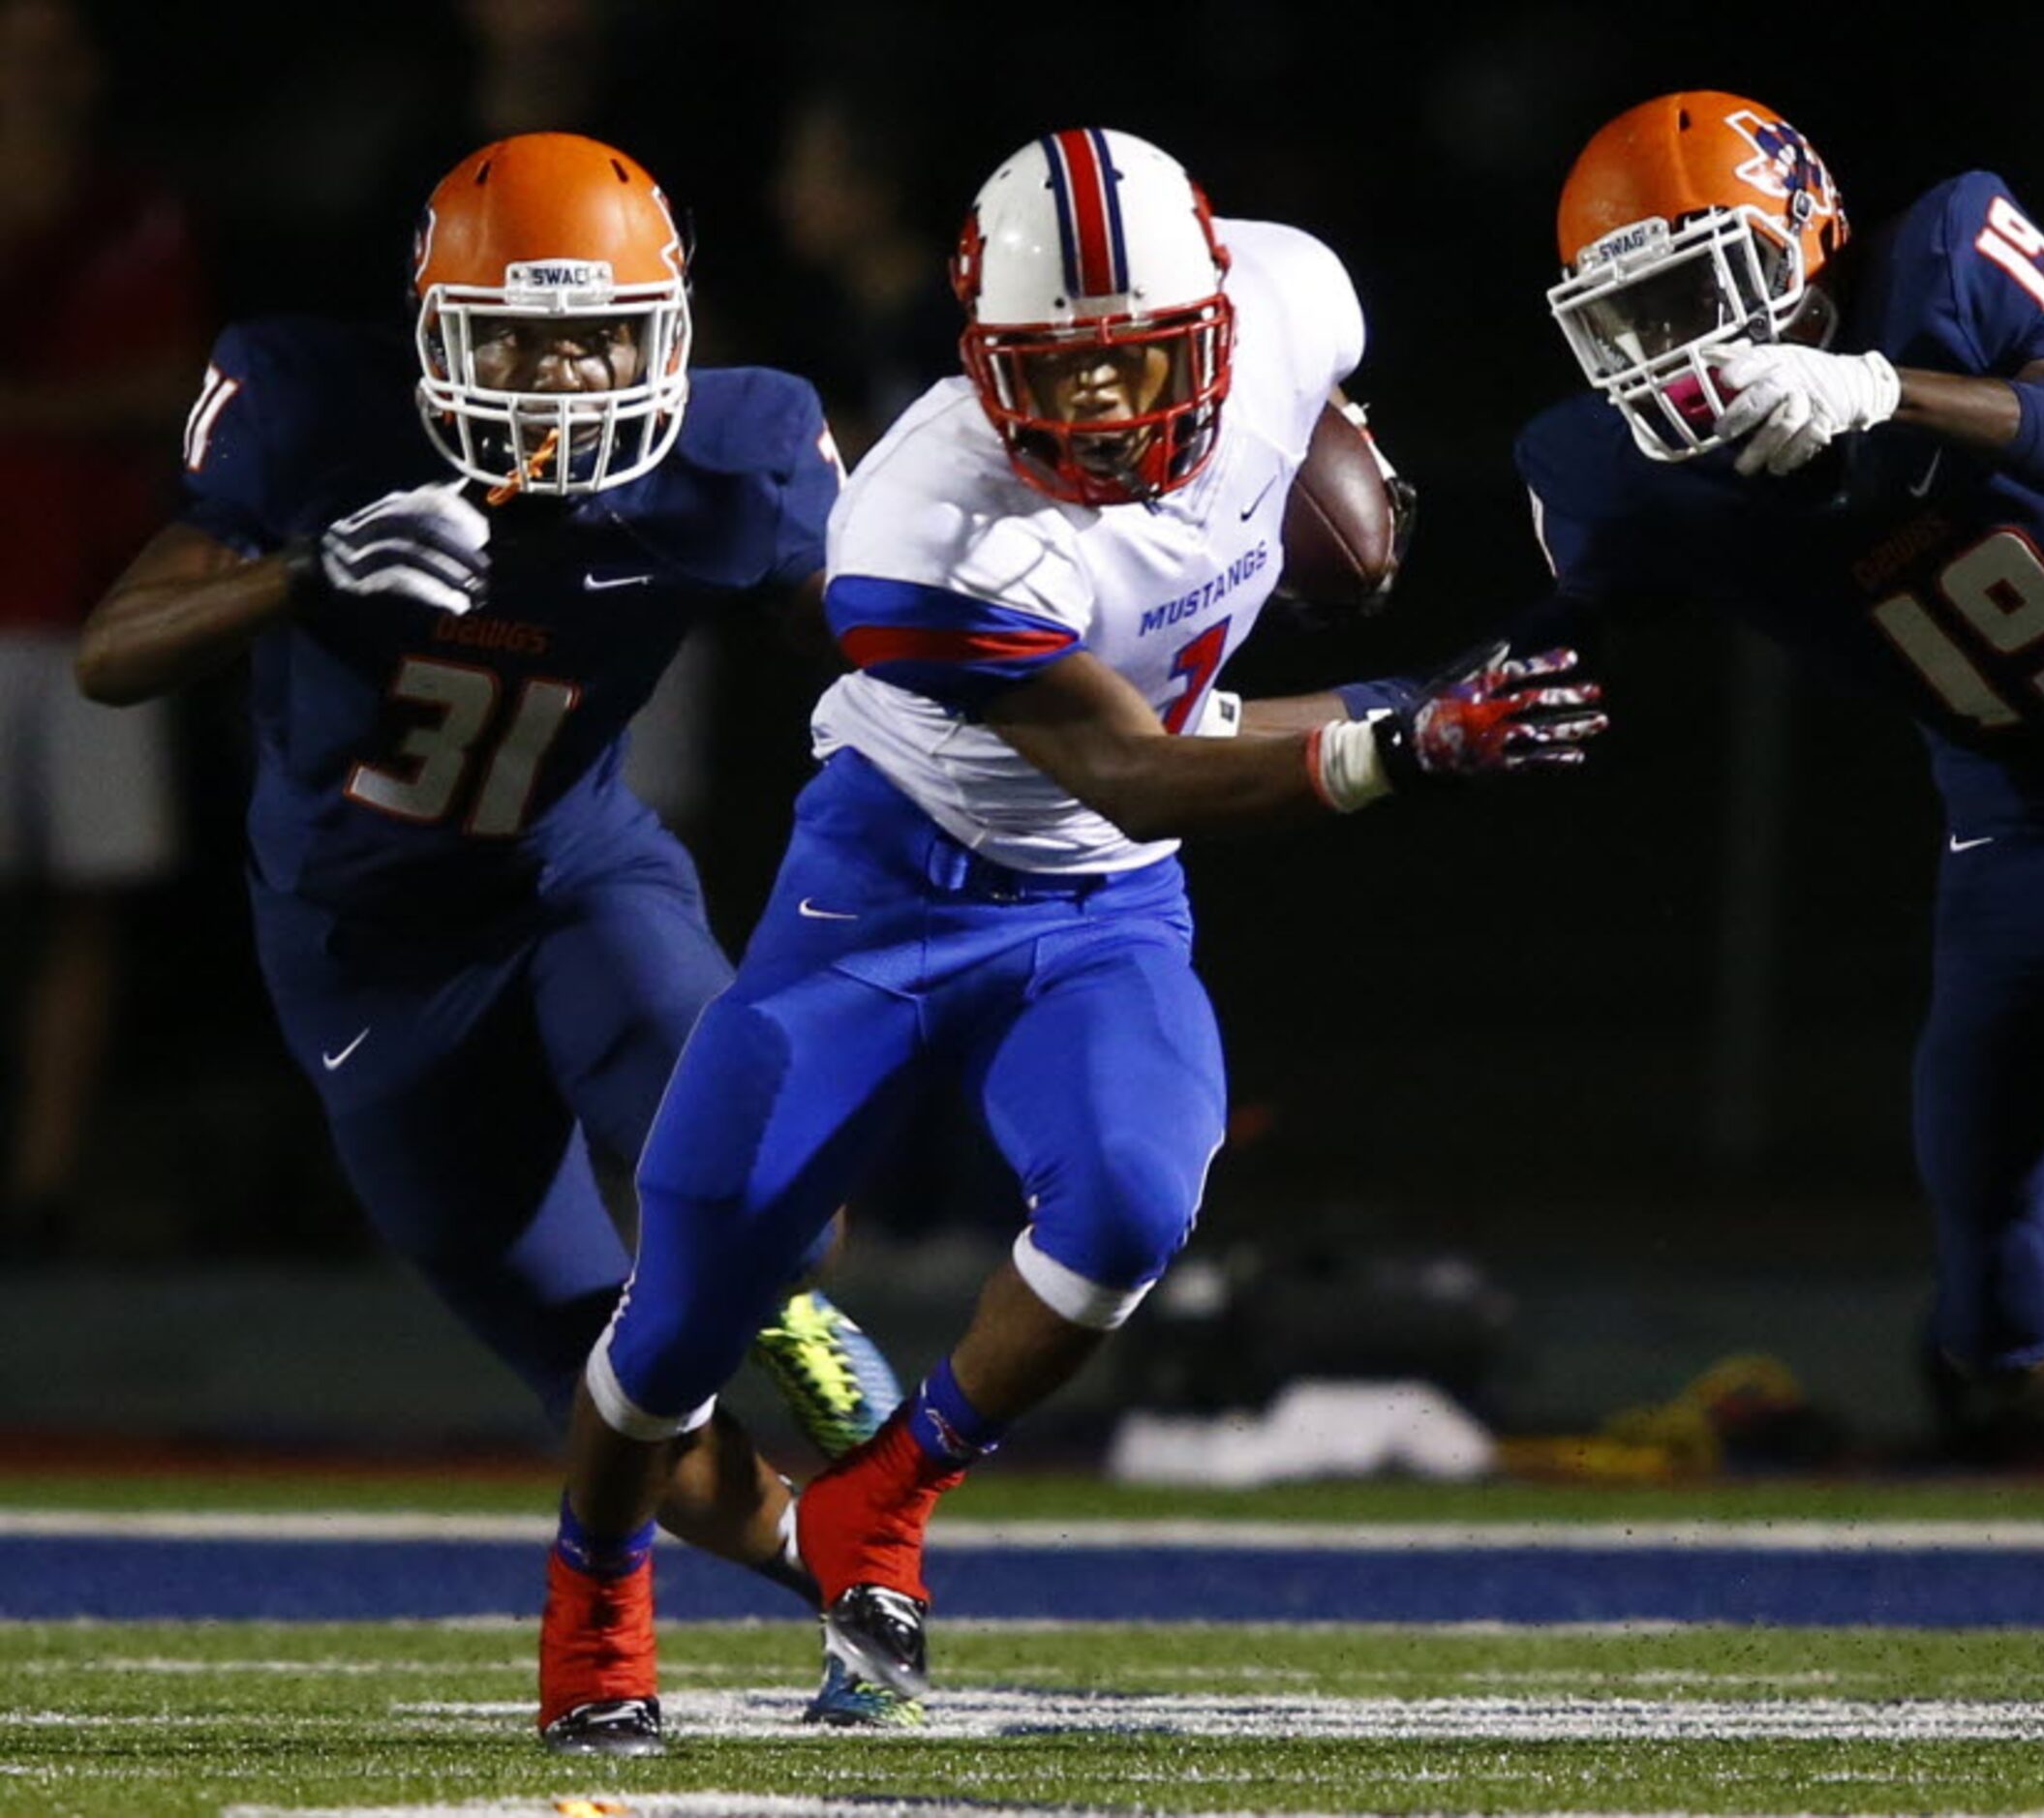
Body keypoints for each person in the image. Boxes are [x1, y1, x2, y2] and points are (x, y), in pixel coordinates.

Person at [534, 124, 1606, 1755]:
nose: (1101, 408)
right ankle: (596, 1586)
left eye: (1136, 364)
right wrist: (1399, 735)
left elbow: (1176, 728)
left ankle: (882, 1500)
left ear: (1220, 326)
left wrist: (1364, 577)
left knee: (1129, 1203)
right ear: (978, 361)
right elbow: (1125, 753)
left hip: (1105, 897)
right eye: (1056, 374)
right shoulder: (919, 530)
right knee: (692, 1287)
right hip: (885, 888)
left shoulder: (1297, 295)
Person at [1508, 92, 2044, 1754]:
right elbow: (1551, 637)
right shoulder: (1621, 475)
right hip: (2015, 835)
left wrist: (1884, 389)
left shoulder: (1943, 265)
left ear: (1806, 240)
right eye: (1636, 318)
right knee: (1996, 1321)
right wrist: (1380, 725)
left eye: (1702, 289)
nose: (1676, 352)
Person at [74, 129, 900, 1610]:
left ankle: (775, 1289)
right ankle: (841, 1574)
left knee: (775, 1177)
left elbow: (875, 638)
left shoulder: (736, 452)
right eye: (521, 334)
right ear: (438, 329)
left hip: (573, 880)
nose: (565, 376)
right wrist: (307, 569)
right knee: (598, 1369)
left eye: (600, 338)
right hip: (366, 953)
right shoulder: (317, 414)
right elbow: (110, 654)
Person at [0, 0, 207, 1258]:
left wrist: (27, 405)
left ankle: (43, 1188)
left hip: (97, 599)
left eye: (57, 47)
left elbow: (174, 380)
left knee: (88, 903)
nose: (39, 72)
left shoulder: (141, 210)